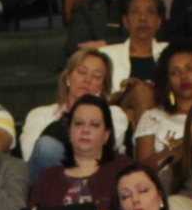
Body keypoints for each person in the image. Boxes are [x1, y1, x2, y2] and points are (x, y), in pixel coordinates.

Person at [18, 50, 130, 180]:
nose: (87, 80)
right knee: (47, 146)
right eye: (82, 72)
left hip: (98, 179)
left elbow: (106, 150)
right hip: (47, 182)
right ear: (68, 77)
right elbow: (32, 155)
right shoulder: (39, 115)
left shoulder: (114, 114)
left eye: (96, 76)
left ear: (103, 87)